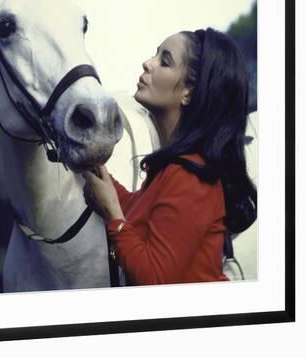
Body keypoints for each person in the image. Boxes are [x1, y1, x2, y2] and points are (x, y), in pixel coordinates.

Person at [83, 28, 257, 286]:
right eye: (155, 54)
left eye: (164, 61)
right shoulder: (174, 168)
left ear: (189, 92)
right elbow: (137, 211)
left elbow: (155, 281)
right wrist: (91, 167)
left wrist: (112, 215)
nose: (147, 63)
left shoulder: (191, 175)